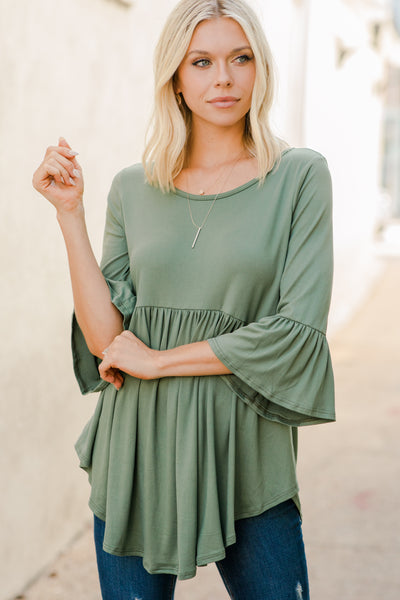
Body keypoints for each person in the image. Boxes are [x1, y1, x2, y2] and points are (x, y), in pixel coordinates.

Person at [32, 0, 335, 598]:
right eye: (201, 61)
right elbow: (105, 340)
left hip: (245, 454)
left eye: (239, 58)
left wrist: (160, 360)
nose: (223, 78)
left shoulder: (300, 177)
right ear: (175, 75)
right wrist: (71, 215)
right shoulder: (131, 188)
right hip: (137, 451)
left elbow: (296, 333)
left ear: (260, 69)